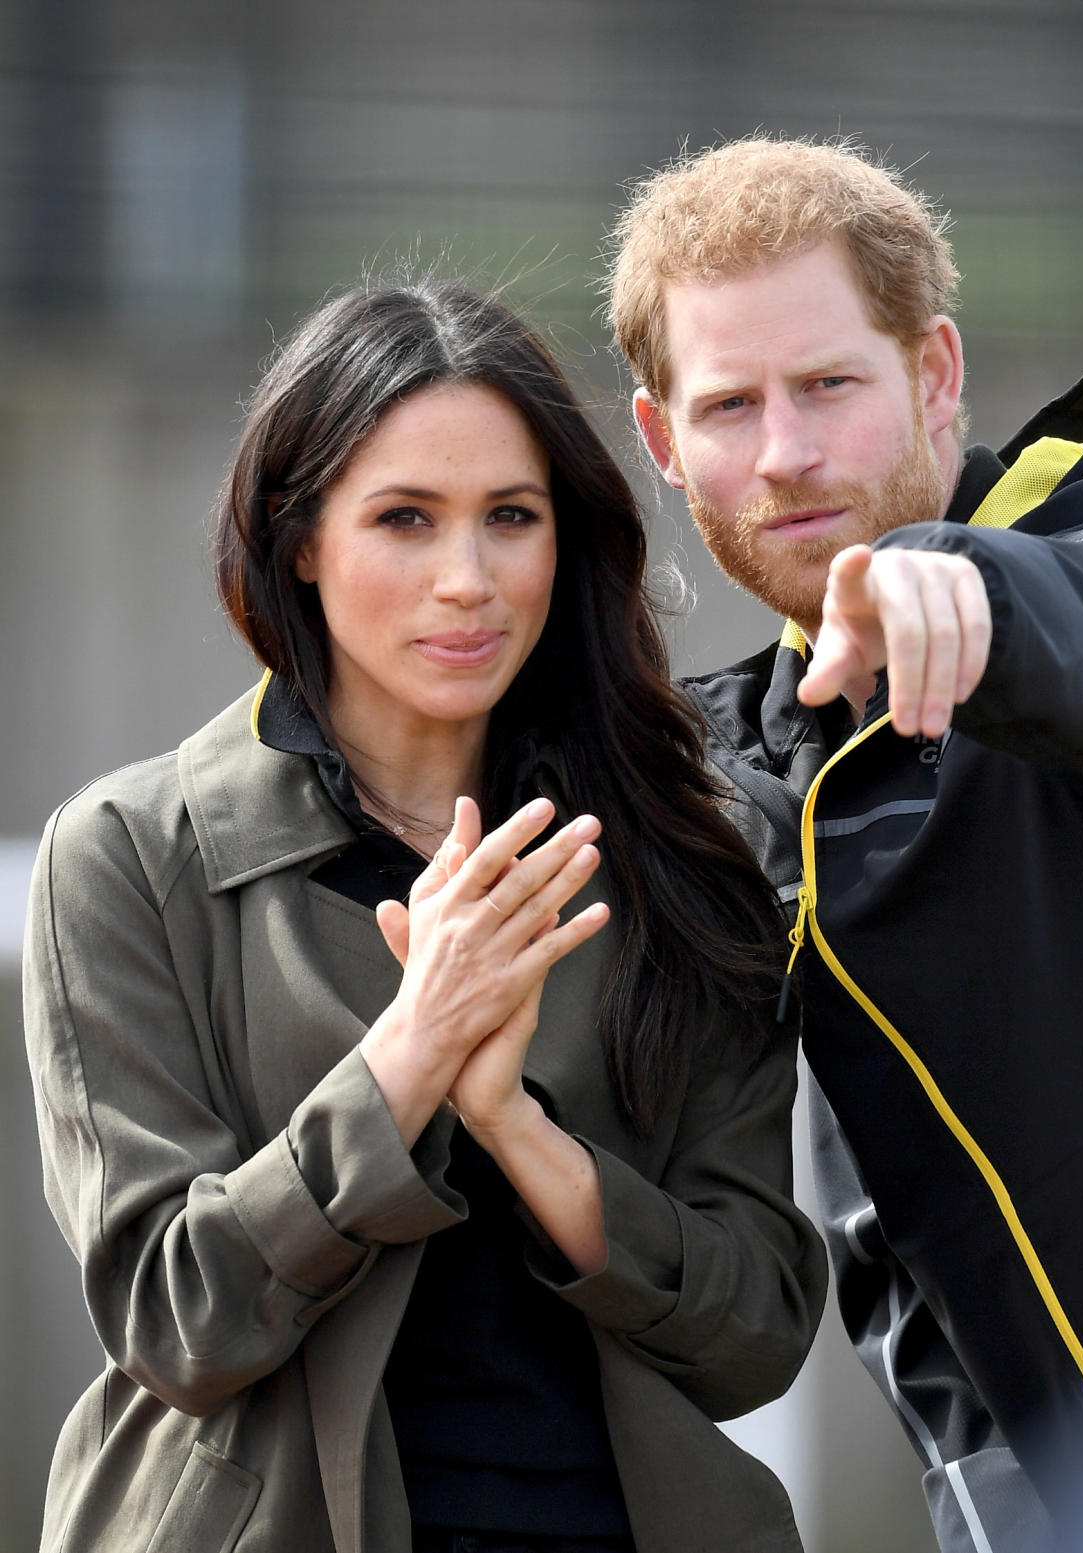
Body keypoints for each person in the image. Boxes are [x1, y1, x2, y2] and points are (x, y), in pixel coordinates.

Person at [21, 275, 828, 1553]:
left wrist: (515, 1125)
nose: (468, 578)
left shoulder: (700, 847)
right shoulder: (129, 857)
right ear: (299, 537)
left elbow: (758, 1329)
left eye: (511, 516)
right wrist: (411, 1056)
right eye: (405, 518)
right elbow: (178, 1318)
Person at [604, 135, 1083, 1553]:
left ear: (934, 373)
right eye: (729, 405)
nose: (783, 452)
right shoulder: (732, 788)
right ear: (660, 442)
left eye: (829, 384)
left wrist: (970, 589)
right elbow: (897, 1271)